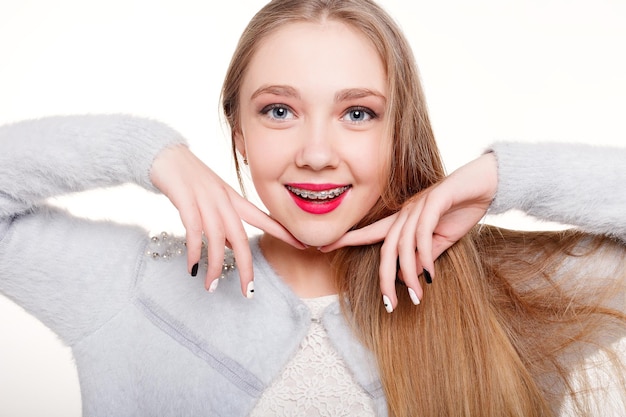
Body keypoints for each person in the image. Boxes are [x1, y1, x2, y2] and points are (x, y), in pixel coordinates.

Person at [1, 0, 624, 416]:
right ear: (238, 131)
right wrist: (144, 151)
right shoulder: (132, 292)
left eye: (358, 113)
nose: (318, 153)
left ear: (396, 133)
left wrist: (505, 177)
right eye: (279, 111)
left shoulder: (503, 292)